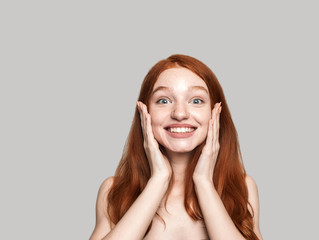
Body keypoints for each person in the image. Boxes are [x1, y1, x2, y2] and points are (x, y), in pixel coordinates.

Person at [89, 54, 263, 240]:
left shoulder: (241, 188)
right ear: (144, 112)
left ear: (215, 112)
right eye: (163, 100)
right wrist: (159, 180)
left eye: (196, 101)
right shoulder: (113, 191)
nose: (180, 114)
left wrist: (204, 183)